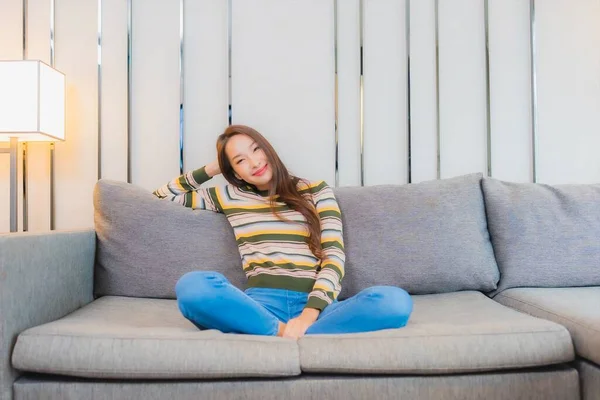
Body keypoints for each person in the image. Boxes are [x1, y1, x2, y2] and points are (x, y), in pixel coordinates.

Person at [153, 125, 413, 339]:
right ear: (235, 173)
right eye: (240, 160)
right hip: (259, 306)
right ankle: (281, 334)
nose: (254, 162)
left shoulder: (315, 191)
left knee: (395, 302)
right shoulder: (228, 196)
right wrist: (213, 167)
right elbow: (160, 197)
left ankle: (274, 333)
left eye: (256, 150)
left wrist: (307, 316)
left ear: (268, 149)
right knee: (193, 286)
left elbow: (334, 256)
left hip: (316, 308)